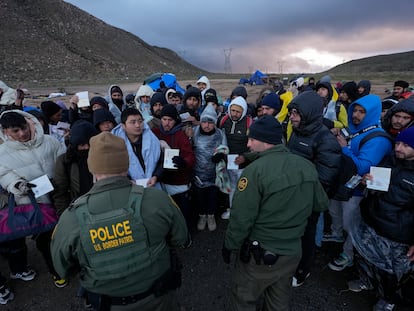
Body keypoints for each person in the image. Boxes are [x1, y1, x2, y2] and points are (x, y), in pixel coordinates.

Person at [51, 132, 190, 311]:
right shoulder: (159, 199)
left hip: (108, 303)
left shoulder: (71, 217)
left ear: (91, 168)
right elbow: (181, 238)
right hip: (158, 299)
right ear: (126, 164)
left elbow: (62, 268)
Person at [223, 115, 329, 311]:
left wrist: (231, 244)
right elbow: (320, 204)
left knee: (245, 298)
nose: (248, 144)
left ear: (265, 141)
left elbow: (241, 218)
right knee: (279, 301)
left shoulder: (254, 172)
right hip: (291, 251)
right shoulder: (306, 166)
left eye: (252, 140)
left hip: (259, 254)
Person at [348, 127, 414, 311]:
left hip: (396, 233)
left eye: (406, 145)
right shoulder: (391, 159)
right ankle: (367, 280)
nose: (399, 148)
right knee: (366, 257)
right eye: (398, 143)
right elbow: (378, 187)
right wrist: (367, 181)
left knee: (391, 271)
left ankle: (389, 299)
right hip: (371, 220)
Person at [326, 94, 393, 271]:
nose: (356, 115)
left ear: (372, 113)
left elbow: (363, 167)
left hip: (356, 191)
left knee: (352, 225)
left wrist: (343, 148)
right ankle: (336, 235)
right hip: (342, 184)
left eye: (362, 112)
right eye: (354, 110)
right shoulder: (356, 129)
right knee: (335, 213)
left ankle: (348, 255)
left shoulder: (378, 139)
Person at [0, 110, 66, 287]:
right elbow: (4, 174)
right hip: (34, 203)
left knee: (65, 233)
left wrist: (62, 181)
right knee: (45, 240)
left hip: (59, 197)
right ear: (6, 132)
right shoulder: (2, 153)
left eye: (23, 128)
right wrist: (17, 185)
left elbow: (63, 161)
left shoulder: (50, 141)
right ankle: (56, 271)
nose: (22, 133)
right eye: (15, 131)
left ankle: (71, 260)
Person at [287, 91, 342, 287]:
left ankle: (303, 270)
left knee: (307, 235)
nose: (291, 116)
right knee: (293, 232)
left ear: (309, 113)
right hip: (292, 196)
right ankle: (291, 262)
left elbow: (324, 180)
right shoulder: (298, 131)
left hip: (309, 201)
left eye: (296, 113)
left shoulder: (325, 141)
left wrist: (304, 198)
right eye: (291, 112)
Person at [152, 104, 195, 230]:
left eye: (170, 120)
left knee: (182, 212)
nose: (166, 123)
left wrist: (184, 162)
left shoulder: (181, 136)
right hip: (160, 181)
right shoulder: (154, 133)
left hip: (178, 182)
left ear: (175, 120)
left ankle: (185, 234)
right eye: (164, 119)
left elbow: (190, 157)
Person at [192, 104, 228, 231]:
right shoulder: (194, 132)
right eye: (204, 122)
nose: (207, 125)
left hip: (214, 174)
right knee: (200, 197)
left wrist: (221, 155)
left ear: (215, 123)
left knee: (213, 196)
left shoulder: (219, 134)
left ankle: (211, 216)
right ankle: (202, 215)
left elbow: (225, 148)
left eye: (210, 122)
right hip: (198, 174)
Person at [53, 120, 98, 215]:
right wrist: (64, 215)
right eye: (82, 145)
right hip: (78, 210)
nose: (86, 148)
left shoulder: (103, 156)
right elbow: (60, 192)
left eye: (90, 144)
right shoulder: (65, 161)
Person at [218, 96, 253, 220]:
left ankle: (244, 213)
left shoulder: (249, 123)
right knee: (231, 187)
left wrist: (245, 157)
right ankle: (232, 210)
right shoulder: (223, 120)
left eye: (238, 111)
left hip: (243, 164)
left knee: (244, 189)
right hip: (228, 163)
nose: (235, 114)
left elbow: (253, 145)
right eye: (232, 110)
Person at [111, 108, 162, 187]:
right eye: (133, 122)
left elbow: (160, 161)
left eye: (140, 121)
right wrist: (128, 181)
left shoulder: (152, 139)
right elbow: (113, 167)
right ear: (123, 126)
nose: (138, 125)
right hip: (127, 187)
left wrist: (156, 176)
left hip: (152, 184)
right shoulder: (115, 143)